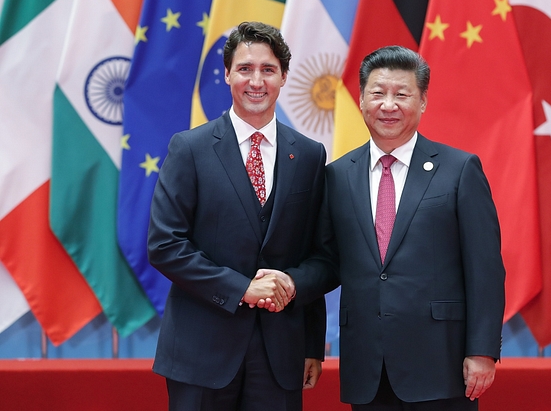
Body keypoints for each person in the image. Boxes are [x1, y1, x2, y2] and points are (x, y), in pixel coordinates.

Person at [277, 45, 506, 410]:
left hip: (441, 364)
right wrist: (292, 292)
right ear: (361, 98)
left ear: (423, 101)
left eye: (402, 94)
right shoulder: (337, 175)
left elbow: (485, 269)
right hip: (367, 366)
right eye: (378, 93)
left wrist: (482, 351)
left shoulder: (459, 170)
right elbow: (326, 261)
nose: (388, 105)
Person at [147, 21, 327, 411]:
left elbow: (321, 256)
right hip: (200, 352)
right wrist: (240, 288)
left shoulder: (311, 156)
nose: (256, 80)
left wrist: (311, 340)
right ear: (227, 74)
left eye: (268, 69)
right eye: (245, 68)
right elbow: (165, 244)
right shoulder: (190, 148)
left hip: (281, 354)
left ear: (283, 77)